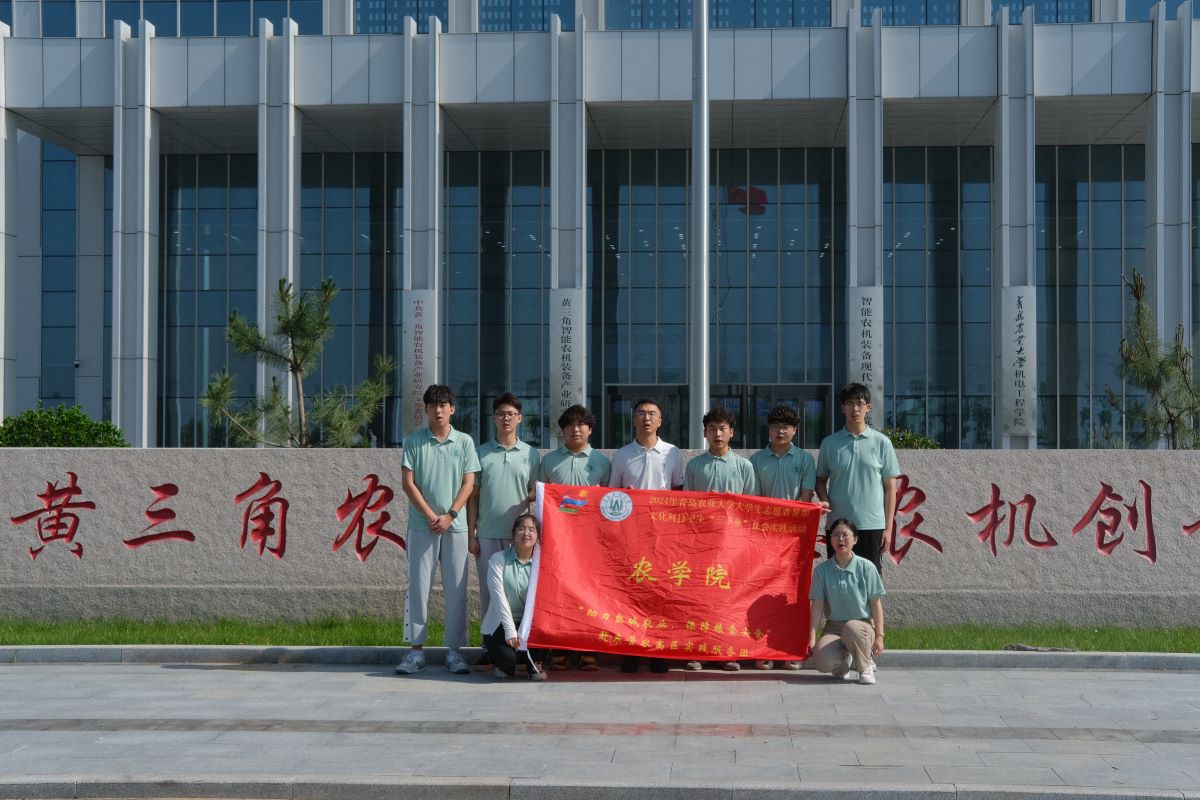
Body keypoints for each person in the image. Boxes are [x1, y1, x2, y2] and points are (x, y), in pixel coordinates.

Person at [395, 385, 480, 676]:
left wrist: (451, 514)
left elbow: (469, 483)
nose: (438, 410)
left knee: (457, 590)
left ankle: (455, 652)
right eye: (433, 405)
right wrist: (432, 516)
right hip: (423, 526)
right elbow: (408, 483)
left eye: (443, 405)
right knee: (418, 588)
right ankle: (415, 652)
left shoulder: (465, 441)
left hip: (455, 528)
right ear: (426, 410)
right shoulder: (414, 441)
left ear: (452, 409)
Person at [749, 403, 827, 671]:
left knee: (794, 594)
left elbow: (805, 498)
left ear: (795, 430)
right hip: (765, 537)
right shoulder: (756, 461)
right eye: (775, 426)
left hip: (795, 538)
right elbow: (755, 500)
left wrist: (788, 525)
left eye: (785, 427)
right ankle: (763, 650)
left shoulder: (805, 460)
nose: (780, 431)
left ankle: (790, 650)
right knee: (763, 592)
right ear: (768, 430)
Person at [681, 405, 758, 672]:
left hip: (733, 546)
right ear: (704, 433)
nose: (717, 434)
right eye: (712, 429)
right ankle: (698, 652)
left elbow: (751, 508)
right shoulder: (695, 465)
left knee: (730, 601)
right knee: (700, 600)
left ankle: (728, 652)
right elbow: (687, 507)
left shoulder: (744, 466)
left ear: (731, 432)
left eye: (722, 429)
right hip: (701, 544)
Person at [467, 393, 540, 671]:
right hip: (487, 532)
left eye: (511, 414)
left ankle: (523, 641)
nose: (506, 418)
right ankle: (490, 646)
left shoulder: (531, 454)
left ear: (519, 418)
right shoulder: (481, 452)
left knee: (522, 592)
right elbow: (474, 496)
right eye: (500, 413)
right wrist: (471, 533)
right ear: (494, 418)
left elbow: (536, 493)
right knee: (490, 593)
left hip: (521, 537)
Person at [610, 398, 684, 673]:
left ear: (660, 421)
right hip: (631, 536)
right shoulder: (622, 455)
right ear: (633, 420)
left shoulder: (672, 453)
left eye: (652, 413)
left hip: (663, 536)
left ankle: (658, 652)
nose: (646, 418)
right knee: (631, 593)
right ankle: (631, 651)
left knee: (660, 593)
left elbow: (679, 493)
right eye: (641, 413)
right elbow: (612, 496)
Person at [536, 404, 611, 670]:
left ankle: (589, 650)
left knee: (591, 595)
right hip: (558, 541)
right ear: (562, 430)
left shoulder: (602, 462)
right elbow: (541, 498)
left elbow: (610, 503)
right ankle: (561, 649)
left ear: (590, 429)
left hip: (591, 540)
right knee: (560, 594)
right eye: (569, 425)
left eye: (581, 424)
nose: (575, 429)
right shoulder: (549, 461)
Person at [815, 383, 899, 575]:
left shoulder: (882, 443)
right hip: (838, 526)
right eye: (850, 403)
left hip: (872, 525)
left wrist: (888, 529)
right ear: (842, 407)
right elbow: (820, 480)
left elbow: (890, 488)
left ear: (868, 407)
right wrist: (824, 499)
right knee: (837, 579)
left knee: (870, 580)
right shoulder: (829, 443)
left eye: (860, 403)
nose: (855, 409)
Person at [808, 518, 885, 685]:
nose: (840, 539)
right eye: (836, 535)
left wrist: (879, 636)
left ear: (855, 539)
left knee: (852, 627)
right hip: (834, 628)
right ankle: (843, 663)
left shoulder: (867, 567)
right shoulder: (821, 571)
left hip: (862, 626)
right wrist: (812, 638)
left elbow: (876, 604)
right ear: (830, 540)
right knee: (822, 661)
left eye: (845, 535)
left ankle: (865, 667)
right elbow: (817, 607)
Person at [481, 513, 549, 680]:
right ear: (513, 534)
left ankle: (534, 663)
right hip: (501, 623)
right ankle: (508, 663)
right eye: (521, 529)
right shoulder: (498, 559)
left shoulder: (543, 562)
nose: (526, 533)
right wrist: (510, 630)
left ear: (537, 536)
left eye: (531, 530)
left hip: (531, 624)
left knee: (541, 638)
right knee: (507, 659)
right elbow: (499, 599)